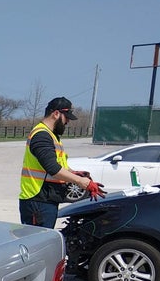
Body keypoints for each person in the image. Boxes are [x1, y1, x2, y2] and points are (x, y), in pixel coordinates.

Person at [19, 96, 106, 228]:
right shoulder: (41, 135)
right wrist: (81, 181)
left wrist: (75, 173)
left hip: (46, 200)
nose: (67, 122)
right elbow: (52, 168)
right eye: (67, 117)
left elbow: (58, 165)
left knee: (45, 238)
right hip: (37, 200)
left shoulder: (52, 135)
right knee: (39, 240)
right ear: (56, 114)